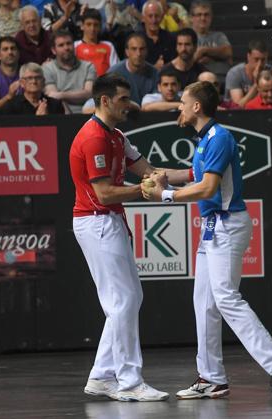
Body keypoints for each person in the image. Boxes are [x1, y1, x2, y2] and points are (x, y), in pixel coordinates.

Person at [141, 81, 272, 400]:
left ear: (197, 107)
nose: (179, 107)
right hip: (213, 227)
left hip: (228, 226)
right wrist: (163, 175)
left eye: (183, 103)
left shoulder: (219, 137)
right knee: (204, 302)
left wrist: (165, 195)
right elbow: (193, 174)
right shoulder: (205, 141)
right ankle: (211, 378)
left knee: (226, 297)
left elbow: (207, 189)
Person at [69, 73, 171, 402]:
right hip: (96, 222)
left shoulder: (115, 134)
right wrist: (144, 191)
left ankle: (101, 376)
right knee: (122, 302)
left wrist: (191, 179)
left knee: (129, 300)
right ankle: (129, 380)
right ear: (105, 101)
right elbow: (106, 192)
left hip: (110, 221)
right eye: (124, 99)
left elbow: (147, 170)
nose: (130, 104)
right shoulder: (93, 138)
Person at [42, 29, 94, 114]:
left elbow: (88, 93)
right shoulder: (47, 68)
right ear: (53, 50)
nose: (66, 48)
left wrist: (61, 95)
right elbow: (52, 97)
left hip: (87, 114)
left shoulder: (88, 66)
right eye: (61, 45)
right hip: (60, 116)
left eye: (69, 43)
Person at [106, 32, 157, 105]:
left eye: (142, 49)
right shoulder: (113, 73)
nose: (138, 54)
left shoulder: (155, 73)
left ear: (146, 51)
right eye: (134, 49)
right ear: (127, 52)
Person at [189, 0, 231, 83]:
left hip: (222, 80)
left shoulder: (219, 36)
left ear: (211, 17)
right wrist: (216, 55)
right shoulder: (187, 37)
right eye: (199, 15)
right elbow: (187, 61)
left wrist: (203, 51)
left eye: (206, 15)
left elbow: (227, 52)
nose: (203, 18)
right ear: (192, 17)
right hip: (197, 81)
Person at [0, 61, 64, 115]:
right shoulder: (11, 106)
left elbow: (61, 129)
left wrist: (47, 119)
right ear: (22, 83)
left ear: (43, 81)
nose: (34, 81)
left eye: (38, 78)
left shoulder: (56, 105)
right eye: (29, 78)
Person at [225, 39, 272, 109]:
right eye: (256, 59)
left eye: (263, 60)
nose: (260, 64)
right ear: (248, 56)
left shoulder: (269, 70)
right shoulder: (234, 73)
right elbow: (239, 106)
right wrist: (257, 83)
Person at [74, 8, 118, 77]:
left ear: (100, 27)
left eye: (96, 25)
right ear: (82, 26)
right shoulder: (74, 46)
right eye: (88, 24)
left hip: (105, 86)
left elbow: (115, 71)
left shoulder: (109, 46)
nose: (92, 29)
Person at [140, 0, 175, 70]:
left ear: (162, 17)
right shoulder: (136, 40)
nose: (154, 20)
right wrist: (154, 69)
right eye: (150, 16)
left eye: (157, 16)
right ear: (143, 18)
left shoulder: (171, 39)